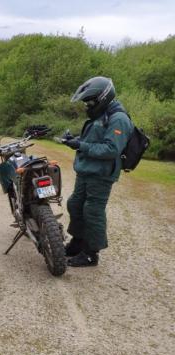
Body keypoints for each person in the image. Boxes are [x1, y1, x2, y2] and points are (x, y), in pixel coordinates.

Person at [63, 76, 132, 267]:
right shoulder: (101, 116)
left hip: (101, 174)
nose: (88, 106)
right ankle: (77, 243)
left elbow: (111, 150)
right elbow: (95, 139)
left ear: (103, 98)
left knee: (92, 211)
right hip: (86, 171)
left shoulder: (119, 119)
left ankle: (91, 253)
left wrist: (81, 145)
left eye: (90, 102)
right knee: (75, 204)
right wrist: (74, 140)